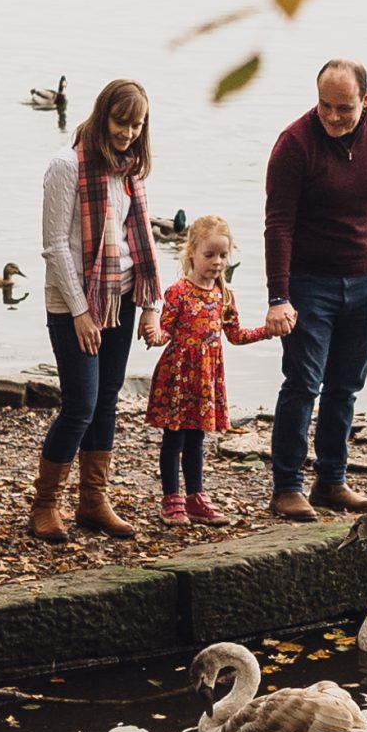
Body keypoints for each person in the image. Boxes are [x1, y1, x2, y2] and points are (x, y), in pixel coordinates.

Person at [262, 57, 367, 521]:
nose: (332, 116)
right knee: (303, 383)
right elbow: (278, 225)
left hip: (361, 283)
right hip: (308, 283)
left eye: (343, 108)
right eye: (324, 105)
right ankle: (287, 486)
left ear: (366, 102)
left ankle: (332, 480)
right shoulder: (294, 144)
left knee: (345, 386)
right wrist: (278, 296)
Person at [32, 78, 160, 540]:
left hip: (121, 296)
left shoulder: (130, 169)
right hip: (75, 304)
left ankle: (92, 501)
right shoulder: (66, 166)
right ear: (103, 114)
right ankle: (45, 504)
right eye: (120, 121)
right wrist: (82, 311)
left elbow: (134, 240)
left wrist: (148, 305)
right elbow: (54, 248)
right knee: (80, 404)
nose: (127, 132)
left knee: (107, 400)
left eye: (136, 124)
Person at [140, 213, 276, 524]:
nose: (217, 262)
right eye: (210, 254)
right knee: (174, 438)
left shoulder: (224, 295)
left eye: (223, 255)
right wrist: (153, 336)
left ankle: (195, 496)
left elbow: (236, 335)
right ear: (192, 254)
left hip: (206, 377)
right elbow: (165, 332)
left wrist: (266, 331)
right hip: (177, 375)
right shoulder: (178, 292)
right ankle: (171, 498)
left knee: (197, 438)